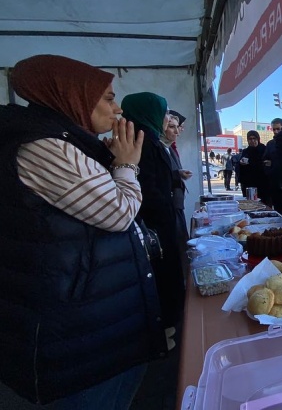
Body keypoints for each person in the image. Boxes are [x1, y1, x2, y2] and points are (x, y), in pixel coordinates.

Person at [0, 54, 166, 408]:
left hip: (91, 322)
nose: (117, 107)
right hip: (76, 335)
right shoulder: (44, 145)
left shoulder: (65, 141)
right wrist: (125, 165)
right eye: (107, 97)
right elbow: (119, 213)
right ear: (71, 94)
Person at [121, 92, 186, 335]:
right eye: (166, 112)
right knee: (163, 276)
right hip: (154, 225)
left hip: (160, 220)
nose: (169, 118)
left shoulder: (149, 139)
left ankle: (171, 324)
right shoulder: (142, 142)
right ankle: (168, 328)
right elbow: (146, 188)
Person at [162, 111, 193, 258]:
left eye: (178, 127)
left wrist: (178, 173)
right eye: (172, 127)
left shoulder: (168, 148)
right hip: (169, 206)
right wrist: (177, 175)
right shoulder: (157, 148)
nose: (178, 132)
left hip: (176, 203)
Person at [264, 118, 282, 213]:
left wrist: (274, 163)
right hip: (275, 184)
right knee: (278, 212)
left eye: (278, 129)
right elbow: (265, 161)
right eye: (274, 129)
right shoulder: (270, 144)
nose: (276, 131)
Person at [239, 131, 268, 200]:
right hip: (248, 185)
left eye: (254, 138)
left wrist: (250, 162)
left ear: (258, 139)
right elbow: (241, 168)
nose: (252, 141)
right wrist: (241, 163)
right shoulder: (245, 151)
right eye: (250, 139)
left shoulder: (264, 150)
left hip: (263, 184)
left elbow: (264, 165)